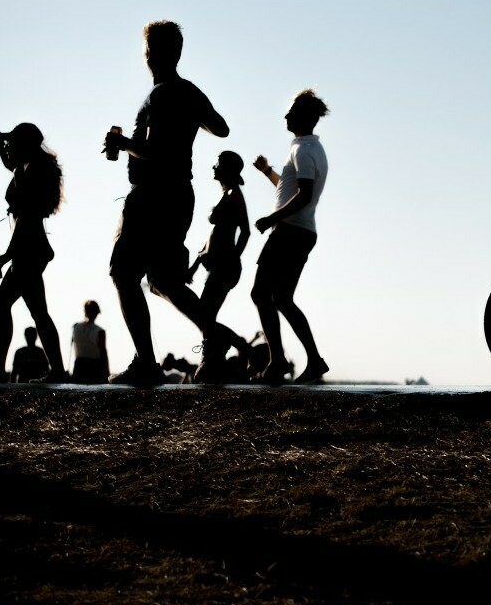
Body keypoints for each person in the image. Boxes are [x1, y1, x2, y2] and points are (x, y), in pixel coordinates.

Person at [103, 20, 237, 386]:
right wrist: (192, 117)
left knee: (124, 274)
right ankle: (214, 332)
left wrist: (123, 144)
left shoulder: (160, 95)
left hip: (152, 194)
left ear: (153, 53)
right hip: (180, 194)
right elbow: (221, 128)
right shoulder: (189, 92)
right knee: (162, 280)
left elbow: (155, 151)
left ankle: (146, 363)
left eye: (147, 49)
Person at [0, 115, 66, 383]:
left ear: (25, 144)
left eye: (13, 141)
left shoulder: (32, 173)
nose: (9, 146)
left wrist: (5, 257)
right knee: (20, 308)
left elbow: (27, 221)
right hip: (29, 248)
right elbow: (7, 160)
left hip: (28, 249)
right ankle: (9, 368)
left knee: (23, 308)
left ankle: (5, 369)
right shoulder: (25, 167)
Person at [250, 89, 331, 384]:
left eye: (291, 112)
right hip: (301, 231)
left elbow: (304, 196)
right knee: (281, 298)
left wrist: (272, 218)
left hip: (290, 231)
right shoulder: (307, 148)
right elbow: (288, 189)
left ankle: (278, 361)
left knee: (262, 294)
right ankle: (312, 360)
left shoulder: (305, 150)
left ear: (305, 117)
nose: (285, 116)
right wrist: (268, 171)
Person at [188, 151, 251, 383]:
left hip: (224, 267)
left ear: (228, 169)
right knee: (204, 316)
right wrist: (194, 266)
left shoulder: (235, 195)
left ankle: (239, 347)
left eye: (218, 164)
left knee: (204, 315)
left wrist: (233, 256)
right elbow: (212, 235)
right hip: (214, 266)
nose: (213, 166)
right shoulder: (226, 194)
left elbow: (245, 230)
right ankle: (216, 361)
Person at [70, 300, 109, 384]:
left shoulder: (76, 327)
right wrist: (106, 370)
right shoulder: (99, 331)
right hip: (94, 366)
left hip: (79, 365)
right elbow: (103, 351)